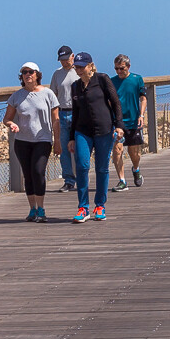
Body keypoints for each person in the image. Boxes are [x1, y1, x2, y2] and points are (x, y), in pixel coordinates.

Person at [67, 52, 124, 223]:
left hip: (104, 130)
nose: (78, 70)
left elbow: (116, 103)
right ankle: (83, 207)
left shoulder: (102, 79)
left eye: (81, 66)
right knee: (82, 166)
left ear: (90, 66)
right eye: (76, 67)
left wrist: (119, 125)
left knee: (102, 168)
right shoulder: (75, 86)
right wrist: (71, 137)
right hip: (82, 131)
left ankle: (100, 205)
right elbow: (75, 112)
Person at [3, 62, 61, 222]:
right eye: (24, 72)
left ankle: (41, 209)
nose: (27, 75)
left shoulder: (48, 94)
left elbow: (56, 120)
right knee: (28, 175)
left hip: (43, 139)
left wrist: (57, 141)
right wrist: (11, 124)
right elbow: (6, 119)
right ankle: (32, 209)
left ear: (37, 75)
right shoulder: (16, 96)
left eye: (30, 72)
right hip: (22, 141)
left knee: (38, 171)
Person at [110, 54, 147, 192]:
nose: (119, 71)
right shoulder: (112, 81)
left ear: (128, 67)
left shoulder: (137, 79)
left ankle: (136, 169)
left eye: (121, 68)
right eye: (116, 69)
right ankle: (122, 181)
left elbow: (143, 98)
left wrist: (141, 115)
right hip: (118, 122)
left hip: (133, 120)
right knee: (117, 150)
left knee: (135, 153)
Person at [50, 45, 78, 192]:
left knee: (80, 147)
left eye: (66, 59)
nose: (64, 62)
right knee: (64, 149)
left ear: (72, 56)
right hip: (62, 113)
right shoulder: (57, 74)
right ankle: (68, 180)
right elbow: (52, 95)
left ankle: (82, 177)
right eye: (62, 60)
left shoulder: (79, 71)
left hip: (77, 113)